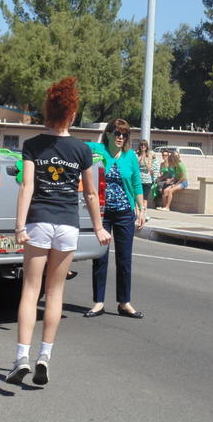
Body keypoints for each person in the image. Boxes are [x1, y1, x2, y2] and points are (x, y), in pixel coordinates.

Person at [5, 77, 111, 386]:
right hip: (67, 225)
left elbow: (27, 186)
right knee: (55, 293)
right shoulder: (82, 149)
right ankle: (44, 357)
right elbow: (91, 194)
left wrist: (19, 226)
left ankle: (21, 357)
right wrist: (99, 227)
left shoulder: (32, 145)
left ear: (47, 112)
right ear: (73, 114)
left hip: (38, 221)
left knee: (29, 290)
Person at [84, 119, 145, 319]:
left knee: (124, 259)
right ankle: (98, 302)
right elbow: (77, 146)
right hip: (103, 213)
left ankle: (124, 302)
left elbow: (136, 183)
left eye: (124, 134)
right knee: (100, 258)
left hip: (125, 213)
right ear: (108, 133)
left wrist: (141, 209)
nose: (121, 138)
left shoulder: (130, 157)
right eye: (117, 133)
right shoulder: (98, 150)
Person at [136, 140, 155, 215]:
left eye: (144, 145)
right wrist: (141, 158)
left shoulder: (149, 155)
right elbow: (136, 166)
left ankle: (144, 214)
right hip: (139, 179)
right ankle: (137, 213)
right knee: (138, 197)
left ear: (146, 147)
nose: (143, 147)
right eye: (141, 145)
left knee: (145, 199)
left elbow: (149, 168)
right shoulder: (137, 155)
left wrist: (144, 160)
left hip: (147, 180)